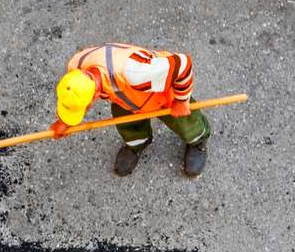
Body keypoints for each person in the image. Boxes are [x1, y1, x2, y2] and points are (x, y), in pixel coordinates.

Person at [50, 42, 211, 177]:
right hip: (124, 96)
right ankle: (137, 144)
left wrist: (182, 101)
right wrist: (65, 122)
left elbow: (183, 64)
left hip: (159, 92)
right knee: (127, 124)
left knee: (187, 124)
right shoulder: (75, 69)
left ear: (95, 96)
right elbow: (77, 96)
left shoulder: (137, 74)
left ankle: (198, 141)